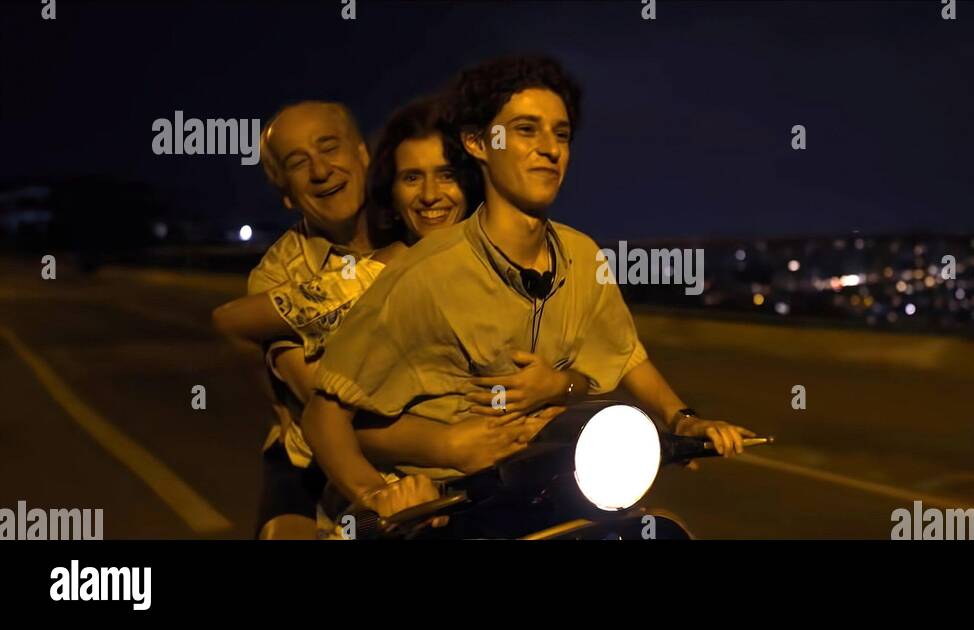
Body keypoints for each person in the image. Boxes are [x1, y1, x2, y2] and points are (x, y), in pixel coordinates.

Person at [302, 56, 755, 514]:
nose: (549, 148)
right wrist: (382, 495)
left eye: (560, 134)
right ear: (478, 142)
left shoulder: (581, 256)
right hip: (452, 507)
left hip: (554, 489)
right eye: (525, 130)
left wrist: (683, 419)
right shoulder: (425, 275)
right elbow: (325, 416)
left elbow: (626, 353)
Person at [215, 99, 559, 538]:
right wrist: (447, 442)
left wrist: (558, 386)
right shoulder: (279, 276)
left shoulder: (420, 220)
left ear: (363, 154)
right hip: (322, 463)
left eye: (330, 148)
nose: (321, 171)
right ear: (284, 189)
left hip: (460, 459)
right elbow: (337, 411)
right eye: (299, 163)